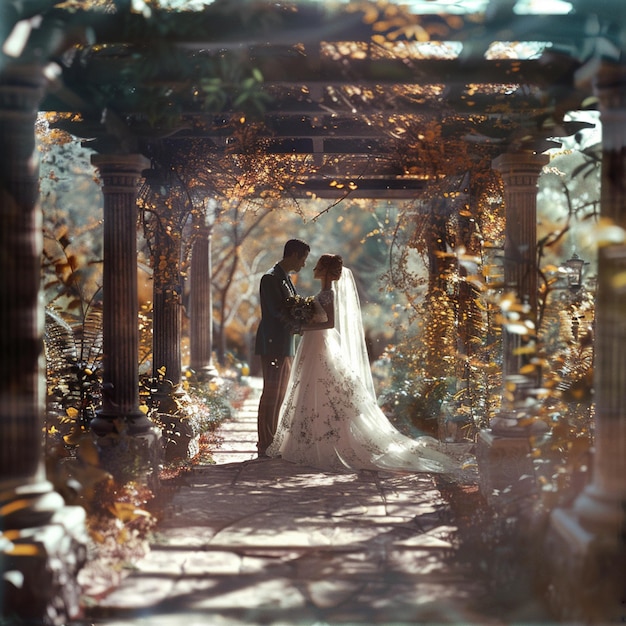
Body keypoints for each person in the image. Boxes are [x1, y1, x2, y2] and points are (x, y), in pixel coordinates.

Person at [266, 253, 462, 475]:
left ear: (326, 271)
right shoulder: (323, 293)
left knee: (325, 389)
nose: (313, 270)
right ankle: (310, 438)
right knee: (312, 390)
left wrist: (303, 327)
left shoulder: (328, 294)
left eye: (318, 266)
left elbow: (329, 324)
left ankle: (326, 442)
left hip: (320, 344)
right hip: (314, 345)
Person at [254, 238, 310, 457]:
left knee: (280, 393)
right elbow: (277, 312)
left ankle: (272, 440)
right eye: (303, 259)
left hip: (285, 343)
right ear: (294, 255)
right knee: (271, 392)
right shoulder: (270, 278)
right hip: (272, 343)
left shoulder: (285, 278)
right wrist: (302, 323)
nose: (304, 264)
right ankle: (264, 443)